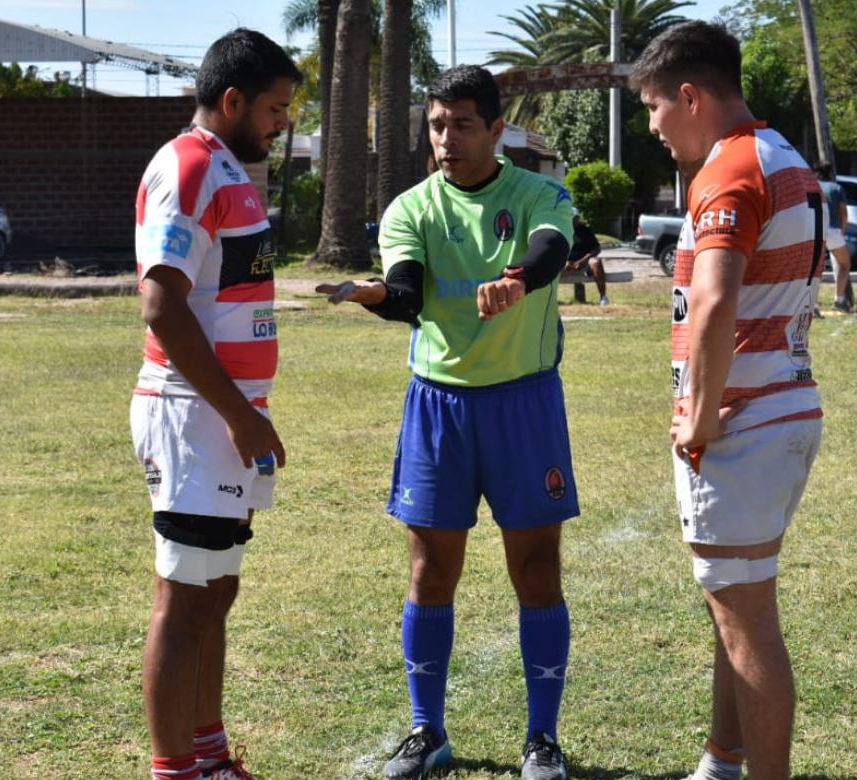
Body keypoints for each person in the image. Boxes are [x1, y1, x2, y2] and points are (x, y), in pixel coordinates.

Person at [316, 65, 578, 780]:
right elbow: (406, 293)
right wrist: (373, 293)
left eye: (463, 124)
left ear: (497, 129)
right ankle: (427, 731)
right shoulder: (410, 208)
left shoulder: (538, 192)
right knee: (431, 571)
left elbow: (554, 247)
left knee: (536, 568)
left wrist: (517, 281)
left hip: (524, 403)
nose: (447, 138)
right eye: (437, 124)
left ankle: (542, 740)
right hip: (440, 406)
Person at [632, 20, 824, 780]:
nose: (650, 125)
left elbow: (712, 304)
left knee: (748, 626)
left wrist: (703, 414)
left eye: (653, 106)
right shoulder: (785, 157)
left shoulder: (729, 168)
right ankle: (721, 761)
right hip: (783, 405)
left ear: (689, 95)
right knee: (732, 606)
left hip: (745, 421)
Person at [129, 29, 299, 780]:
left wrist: (246, 411)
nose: (281, 122)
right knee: (184, 596)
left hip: (226, 416)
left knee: (216, 590)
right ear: (231, 101)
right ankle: (177, 771)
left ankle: (210, 758)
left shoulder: (228, 165)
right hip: (194, 415)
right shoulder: (190, 165)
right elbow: (161, 304)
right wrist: (238, 414)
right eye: (272, 107)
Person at [815, 162, 854, 312]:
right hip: (833, 230)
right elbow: (843, 212)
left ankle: (814, 305)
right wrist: (842, 230)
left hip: (816, 230)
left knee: (815, 269)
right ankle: (840, 300)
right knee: (844, 264)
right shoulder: (836, 188)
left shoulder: (812, 186)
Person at [567, 211, 610, 305]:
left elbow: (596, 249)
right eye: (572, 217)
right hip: (565, 263)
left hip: (584, 262)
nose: (574, 220)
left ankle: (603, 297)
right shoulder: (561, 230)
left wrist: (582, 261)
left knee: (596, 262)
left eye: (576, 217)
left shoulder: (585, 231)